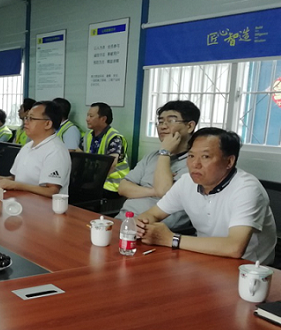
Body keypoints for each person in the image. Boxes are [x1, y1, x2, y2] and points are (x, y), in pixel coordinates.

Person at [135, 128, 276, 264]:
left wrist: (170, 239)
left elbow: (234, 247)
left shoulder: (246, 188)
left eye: (205, 157)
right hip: (204, 257)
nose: (195, 164)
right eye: (191, 156)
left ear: (229, 162)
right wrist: (141, 225)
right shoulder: (186, 182)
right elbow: (153, 214)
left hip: (248, 268)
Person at [117, 100, 200, 229]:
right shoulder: (152, 156)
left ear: (190, 126)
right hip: (123, 221)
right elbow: (123, 188)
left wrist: (165, 152)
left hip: (155, 230)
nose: (162, 126)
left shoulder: (194, 163)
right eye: (160, 122)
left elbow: (164, 191)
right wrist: (153, 191)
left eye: (171, 121)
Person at [0, 100, 71, 197]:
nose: (26, 122)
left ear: (48, 124)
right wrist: (0, 178)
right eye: (26, 118)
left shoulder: (56, 150)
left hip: (43, 205)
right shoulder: (27, 146)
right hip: (21, 200)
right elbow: (16, 179)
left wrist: (16, 185)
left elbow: (52, 191)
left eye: (31, 118)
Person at [80, 102, 130, 196]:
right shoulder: (88, 136)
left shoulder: (114, 138)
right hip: (93, 180)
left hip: (112, 184)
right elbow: (78, 155)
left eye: (91, 116)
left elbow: (112, 164)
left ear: (103, 119)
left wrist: (94, 183)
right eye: (87, 115)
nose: (87, 119)